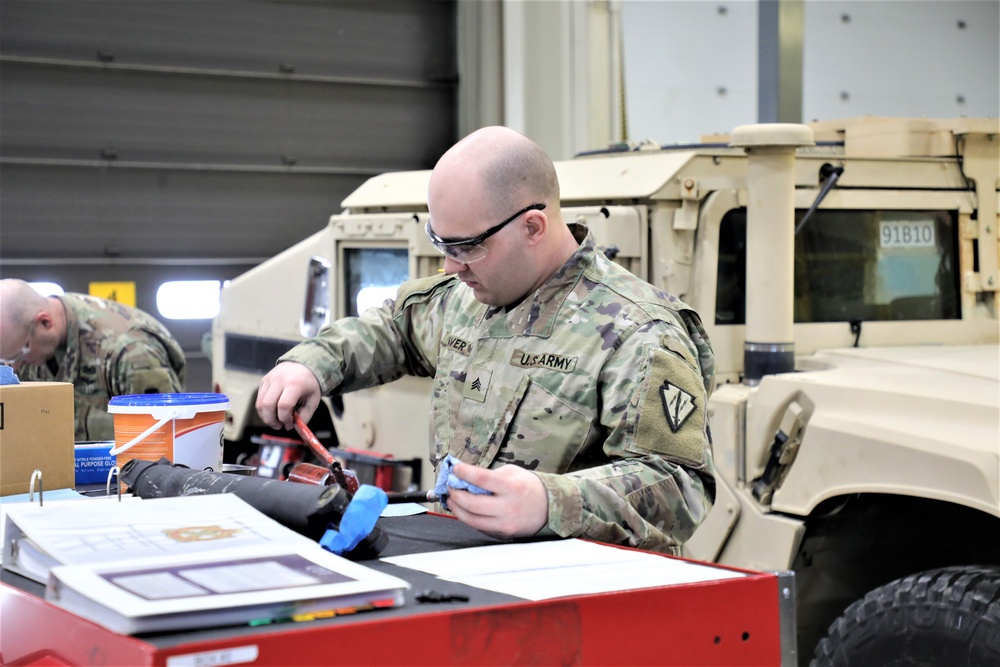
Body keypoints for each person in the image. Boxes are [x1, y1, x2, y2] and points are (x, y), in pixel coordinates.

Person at [256, 126, 716, 553]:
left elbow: (679, 484)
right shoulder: (466, 299)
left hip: (580, 598)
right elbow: (394, 328)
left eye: (468, 247)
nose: (453, 267)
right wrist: (314, 363)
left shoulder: (638, 332)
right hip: (461, 571)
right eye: (442, 244)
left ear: (533, 227)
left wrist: (550, 502)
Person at [0, 279, 187, 440]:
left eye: (18, 355)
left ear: (45, 323)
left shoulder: (131, 355)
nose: (14, 366)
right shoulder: (23, 340)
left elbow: (167, 442)